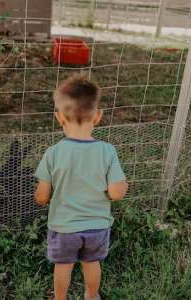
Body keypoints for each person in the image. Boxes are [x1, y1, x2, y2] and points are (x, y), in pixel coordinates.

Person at [34, 74, 128, 300]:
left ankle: (60, 298)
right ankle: (91, 296)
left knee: (63, 266)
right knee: (91, 263)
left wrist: (41, 192)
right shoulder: (107, 151)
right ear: (98, 116)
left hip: (64, 227)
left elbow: (42, 197)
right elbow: (116, 193)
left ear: (59, 118)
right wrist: (124, 185)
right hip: (97, 227)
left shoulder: (53, 153)